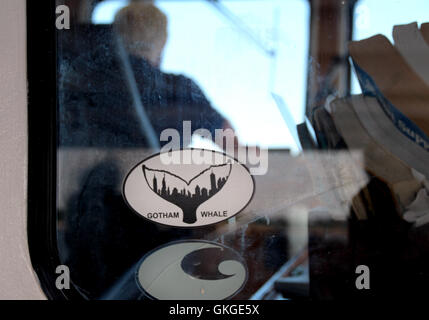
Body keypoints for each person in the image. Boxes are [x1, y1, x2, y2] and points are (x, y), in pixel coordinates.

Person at [113, 2, 235, 148]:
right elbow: (228, 139)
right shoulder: (180, 89)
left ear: (115, 36)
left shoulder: (88, 82)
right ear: (162, 42)